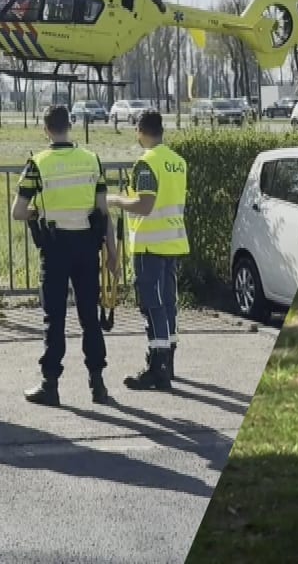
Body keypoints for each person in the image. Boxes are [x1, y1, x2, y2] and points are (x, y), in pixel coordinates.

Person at [12, 104, 122, 406]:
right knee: (89, 315)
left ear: (45, 129)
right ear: (69, 125)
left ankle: (51, 385)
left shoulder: (37, 163)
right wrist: (113, 254)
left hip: (55, 247)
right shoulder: (91, 160)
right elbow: (104, 212)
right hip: (87, 248)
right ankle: (98, 384)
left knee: (55, 317)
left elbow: (18, 211)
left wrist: (40, 211)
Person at [116, 110, 189, 392]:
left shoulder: (146, 164)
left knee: (152, 305)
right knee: (168, 303)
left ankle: (157, 368)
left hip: (150, 244)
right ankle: (168, 361)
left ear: (140, 130)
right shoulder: (177, 162)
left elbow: (144, 205)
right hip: (173, 241)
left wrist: (117, 201)